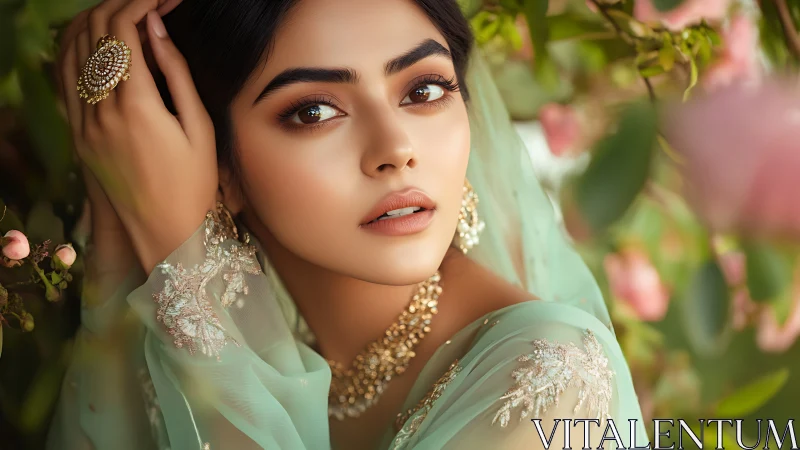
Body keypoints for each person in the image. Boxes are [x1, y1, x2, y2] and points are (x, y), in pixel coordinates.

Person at [48, 0, 648, 448]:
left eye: (425, 89)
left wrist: (183, 264)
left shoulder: (549, 375)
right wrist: (128, 232)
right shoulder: (296, 371)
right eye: (314, 110)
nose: (396, 148)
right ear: (213, 164)